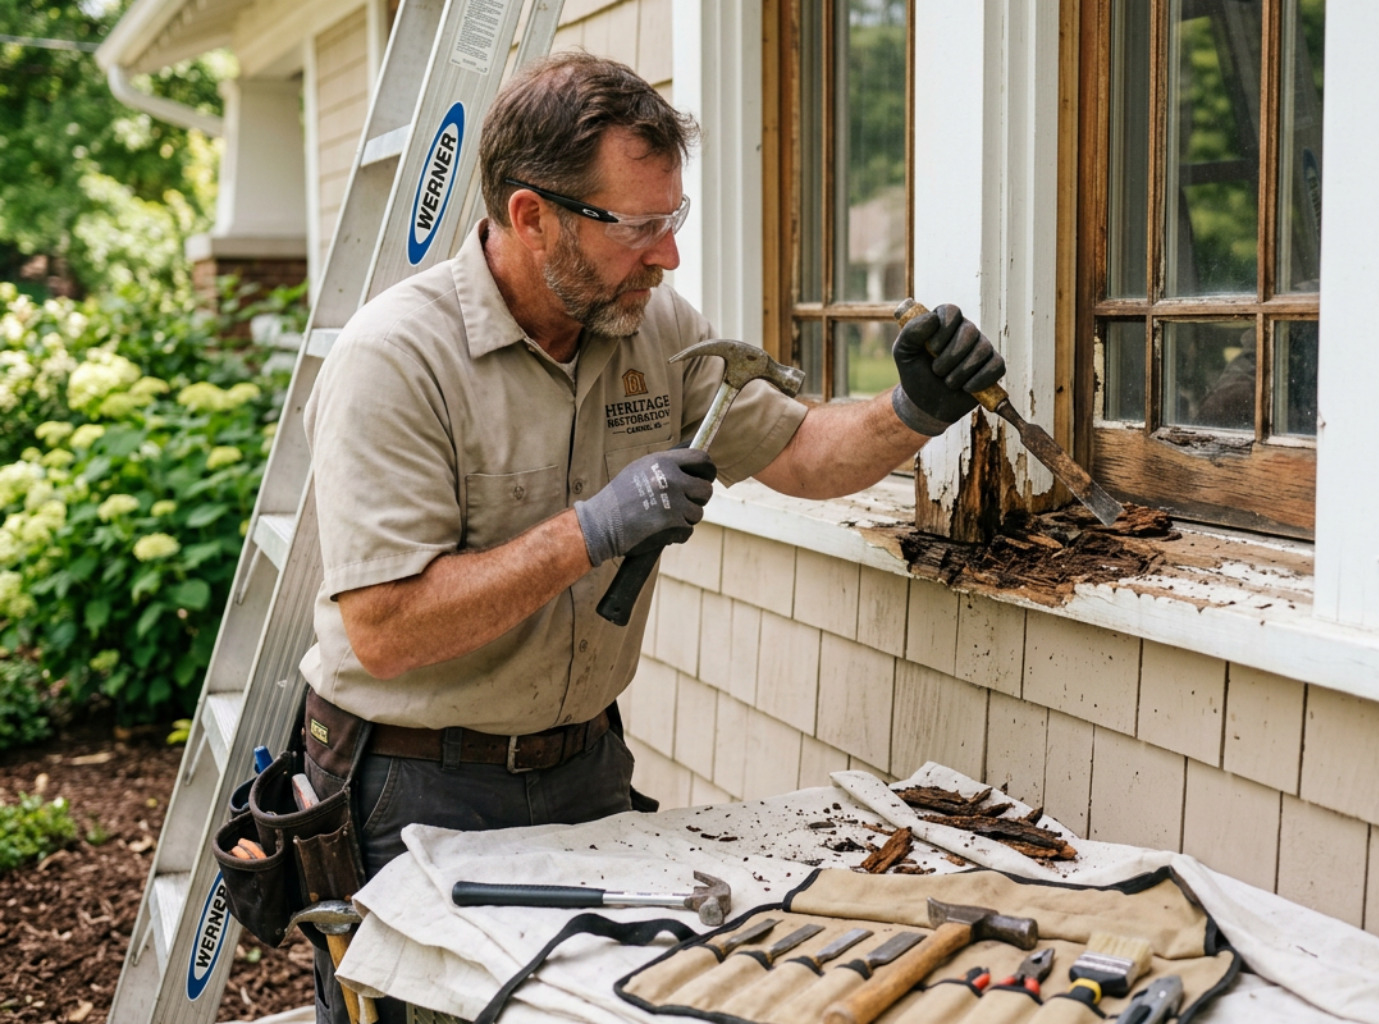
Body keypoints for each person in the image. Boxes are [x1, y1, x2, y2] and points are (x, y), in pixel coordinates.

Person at [296, 52, 1004, 1023]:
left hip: (587, 767)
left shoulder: (654, 327)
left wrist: (913, 410)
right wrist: (590, 531)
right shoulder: (397, 362)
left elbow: (800, 451)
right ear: (529, 214)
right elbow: (383, 628)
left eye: (672, 222)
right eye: (637, 228)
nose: (667, 256)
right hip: (414, 785)